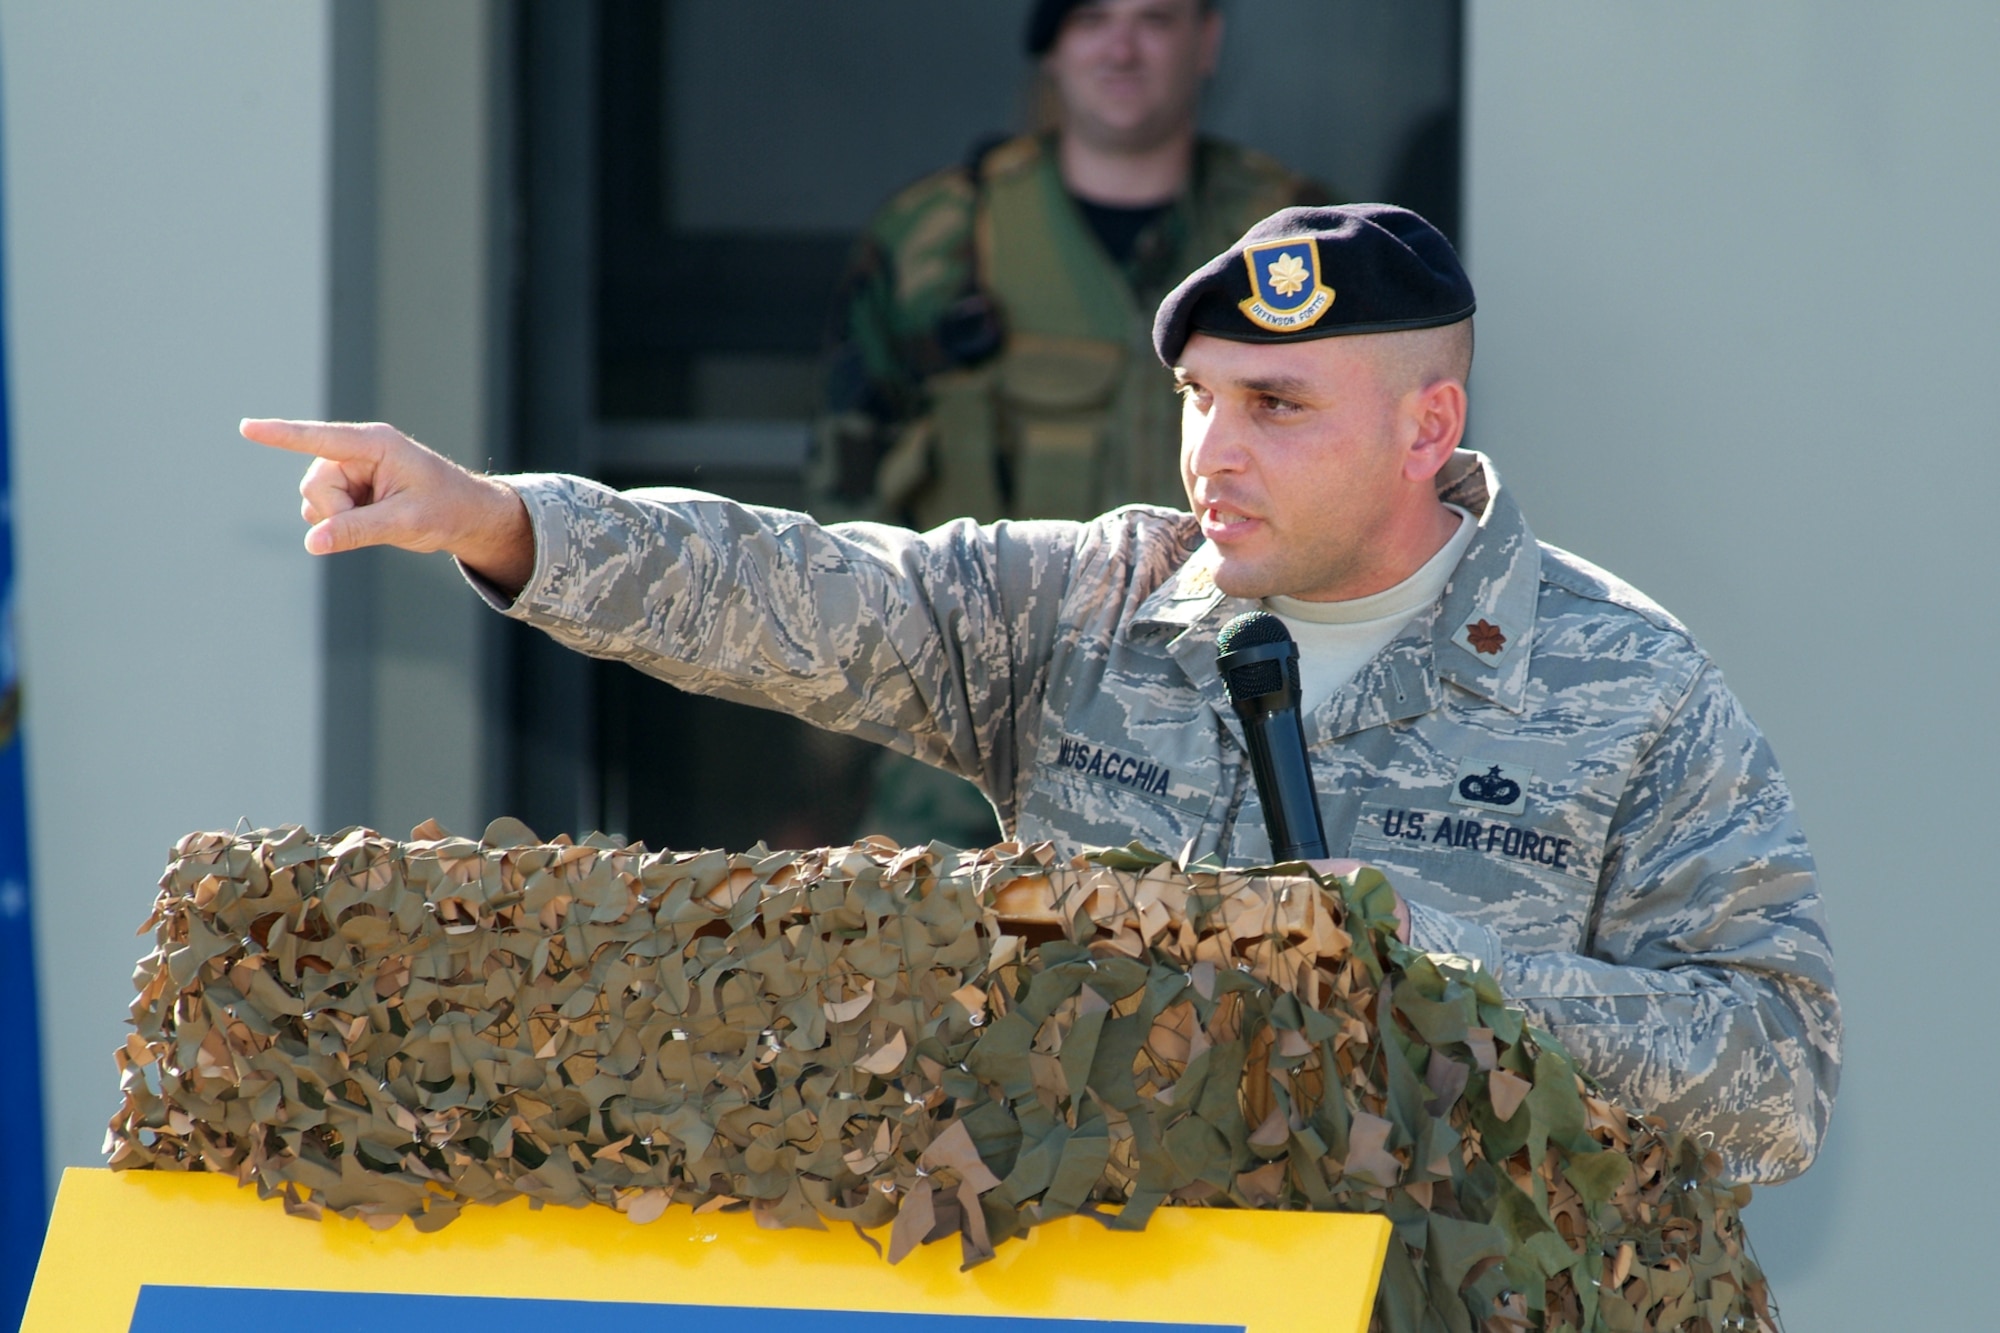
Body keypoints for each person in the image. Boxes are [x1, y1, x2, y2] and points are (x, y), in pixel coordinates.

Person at [244, 204, 1839, 1185]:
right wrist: (505, 520)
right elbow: (802, 591)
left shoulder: (1627, 683)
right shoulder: (1092, 607)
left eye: (1278, 405)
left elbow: (1772, 1078)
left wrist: (1426, 971)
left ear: (1430, 428)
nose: (1213, 451)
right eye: (1199, 400)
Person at [818, 0, 1331, 845]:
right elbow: (844, 494)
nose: (1123, 48)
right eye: (1092, 19)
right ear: (1050, 48)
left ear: (1208, 40)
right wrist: (826, 761)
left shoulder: (1295, 246)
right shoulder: (937, 243)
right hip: (963, 747)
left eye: (1156, 19)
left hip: (1227, 745)